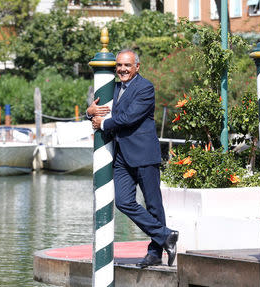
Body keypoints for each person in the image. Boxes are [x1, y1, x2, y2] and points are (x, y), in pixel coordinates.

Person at [87, 49, 179, 268]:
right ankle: (166, 235)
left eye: (127, 65)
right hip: (121, 156)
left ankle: (155, 253)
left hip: (144, 154)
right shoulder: (113, 88)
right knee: (123, 201)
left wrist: (103, 123)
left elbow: (128, 118)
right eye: (119, 65)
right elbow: (100, 111)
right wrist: (90, 112)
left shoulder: (145, 87)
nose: (122, 69)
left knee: (154, 206)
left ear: (137, 67)